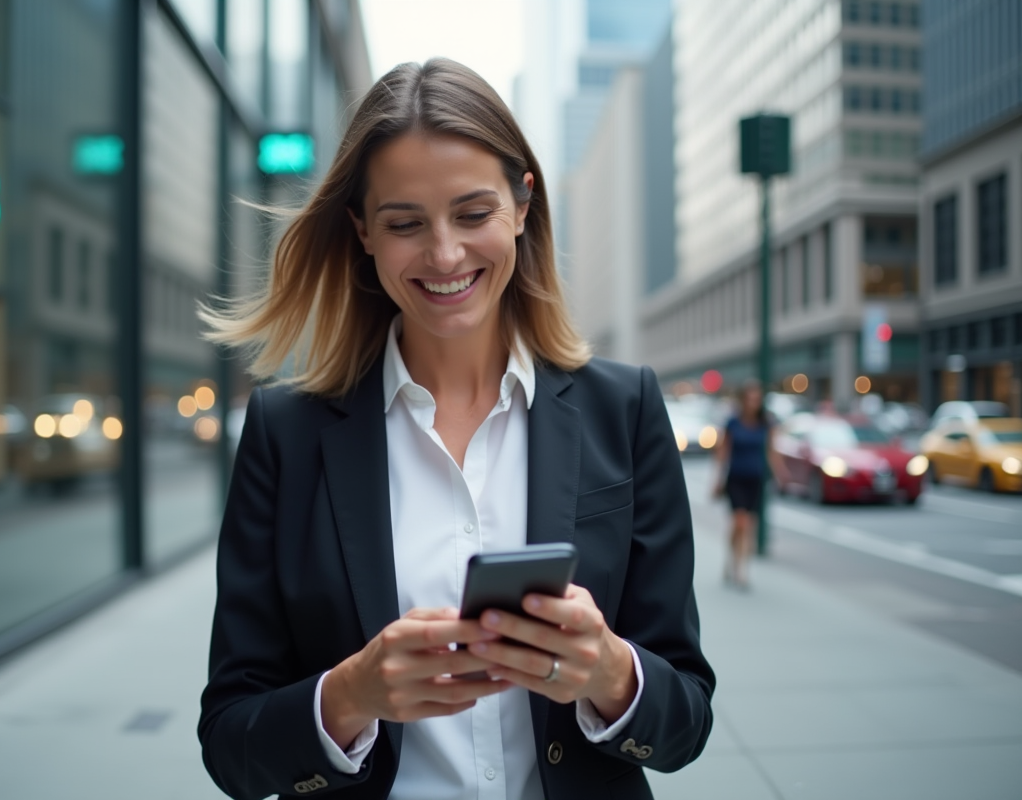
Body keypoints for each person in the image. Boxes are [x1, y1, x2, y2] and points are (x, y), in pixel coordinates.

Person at [197, 58, 714, 800]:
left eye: (473, 214)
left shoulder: (623, 409)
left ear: (523, 204)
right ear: (363, 231)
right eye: (405, 223)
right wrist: (350, 695)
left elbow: (686, 722)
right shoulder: (287, 434)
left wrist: (609, 672)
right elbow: (231, 744)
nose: (444, 254)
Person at [712, 381, 788, 589]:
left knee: (749, 526)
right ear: (743, 400)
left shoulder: (766, 423)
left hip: (756, 479)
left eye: (757, 399)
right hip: (736, 478)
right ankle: (733, 562)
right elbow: (723, 451)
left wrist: (780, 473)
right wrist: (717, 479)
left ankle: (740, 568)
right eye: (750, 398)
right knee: (740, 522)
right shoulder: (733, 423)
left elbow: (772, 451)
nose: (753, 402)